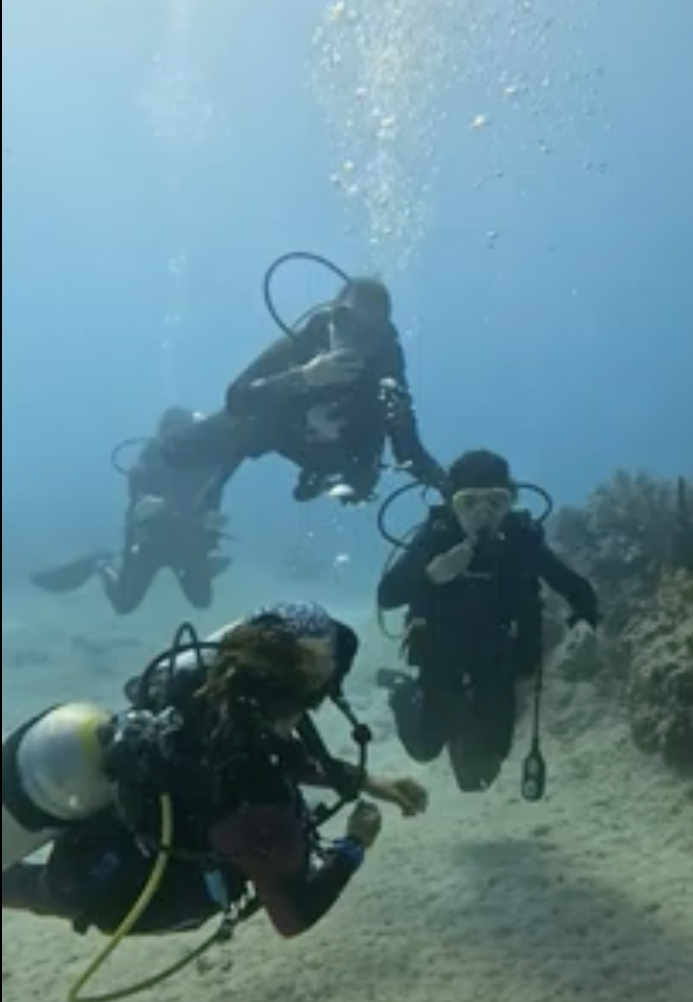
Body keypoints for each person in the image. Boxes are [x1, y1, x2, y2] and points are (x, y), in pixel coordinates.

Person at [2, 602, 427, 937]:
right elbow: (293, 917)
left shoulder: (203, 692)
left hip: (102, 828)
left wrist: (369, 780)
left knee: (41, 887)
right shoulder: (258, 788)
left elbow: (280, 752)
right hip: (126, 889)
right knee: (43, 891)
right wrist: (355, 844)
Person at [376, 449, 600, 792]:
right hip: (440, 653)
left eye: (496, 502)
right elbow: (387, 595)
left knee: (480, 776)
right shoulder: (436, 537)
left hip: (497, 656)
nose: (483, 514)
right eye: (469, 502)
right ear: (452, 504)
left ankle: (465, 725)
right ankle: (403, 692)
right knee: (424, 748)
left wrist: (584, 621)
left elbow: (575, 587)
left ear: (510, 502)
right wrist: (430, 576)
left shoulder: (520, 539)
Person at [162, 277, 445, 504]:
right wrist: (303, 378)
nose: (353, 340)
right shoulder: (305, 342)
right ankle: (221, 468)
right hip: (278, 426)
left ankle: (318, 475)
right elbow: (237, 398)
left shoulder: (385, 368)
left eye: (369, 333)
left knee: (361, 483)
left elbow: (409, 453)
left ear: (381, 337)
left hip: (336, 452)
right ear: (331, 317)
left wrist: (453, 489)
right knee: (176, 451)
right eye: (346, 322)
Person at [30, 408, 231, 614]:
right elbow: (138, 508)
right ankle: (101, 564)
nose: (176, 444)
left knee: (202, 601)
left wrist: (211, 525)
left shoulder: (207, 466)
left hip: (188, 541)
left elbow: (212, 506)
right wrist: (148, 507)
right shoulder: (145, 464)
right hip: (150, 542)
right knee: (124, 604)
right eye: (170, 436)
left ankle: (202, 568)